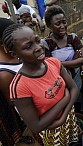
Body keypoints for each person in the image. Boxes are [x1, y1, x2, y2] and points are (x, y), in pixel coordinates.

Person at [2, 24, 79, 145]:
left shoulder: (53, 62)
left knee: (72, 141)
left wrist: (65, 115)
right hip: (52, 129)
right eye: (28, 46)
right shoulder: (19, 87)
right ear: (14, 54)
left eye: (38, 40)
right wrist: (65, 99)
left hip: (69, 116)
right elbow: (36, 126)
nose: (38, 47)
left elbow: (74, 88)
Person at [43, 5, 83, 110]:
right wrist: (75, 61)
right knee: (65, 104)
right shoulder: (46, 43)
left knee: (78, 100)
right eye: (58, 23)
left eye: (64, 22)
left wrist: (59, 63)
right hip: (59, 82)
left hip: (76, 77)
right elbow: (49, 67)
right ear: (49, 25)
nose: (62, 26)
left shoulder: (73, 38)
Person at [0, 18, 30, 146]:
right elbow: (14, 103)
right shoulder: (3, 73)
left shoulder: (17, 55)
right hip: (25, 118)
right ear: (3, 43)